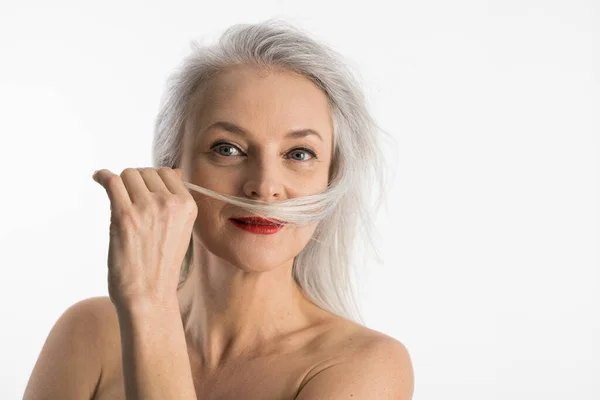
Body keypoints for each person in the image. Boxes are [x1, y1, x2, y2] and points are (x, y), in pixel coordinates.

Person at [24, 19, 414, 399]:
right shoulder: (88, 332)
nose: (263, 186)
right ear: (171, 166)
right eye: (227, 149)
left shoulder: (366, 367)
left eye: (299, 153)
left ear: (331, 177)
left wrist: (150, 304)